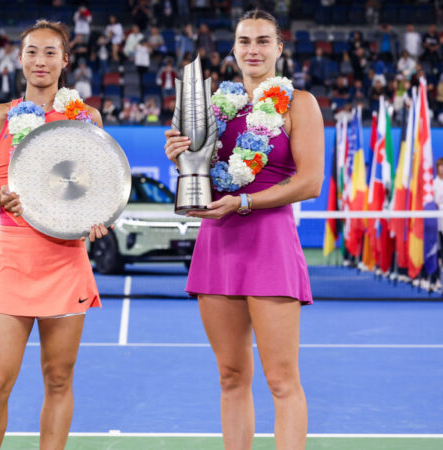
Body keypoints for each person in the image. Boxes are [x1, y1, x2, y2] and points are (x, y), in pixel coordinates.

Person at [164, 9, 323, 449]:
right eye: (245, 41)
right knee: (231, 375)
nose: (253, 49)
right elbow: (201, 173)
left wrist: (245, 201)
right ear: (233, 49)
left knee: (281, 379)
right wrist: (179, 156)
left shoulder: (300, 104)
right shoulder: (212, 108)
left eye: (263, 41)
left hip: (269, 243)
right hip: (218, 243)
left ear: (279, 48)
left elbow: (309, 182)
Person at [0, 19, 107, 450]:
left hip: (67, 261)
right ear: (19, 57)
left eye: (50, 52)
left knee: (59, 379)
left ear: (65, 61)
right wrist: (0, 197)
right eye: (31, 51)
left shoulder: (87, 118)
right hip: (13, 260)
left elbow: (97, 187)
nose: (39, 60)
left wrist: (99, 216)